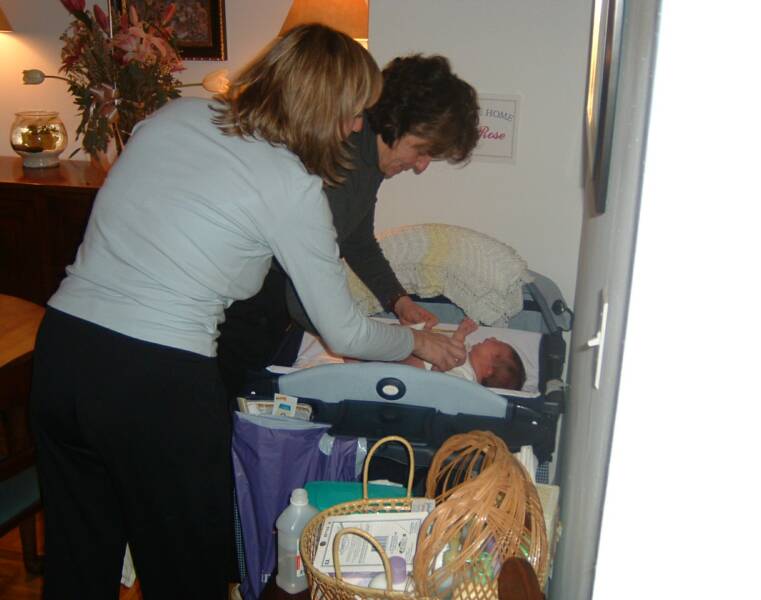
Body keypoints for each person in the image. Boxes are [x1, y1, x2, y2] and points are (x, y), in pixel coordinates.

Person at [28, 25, 466, 600]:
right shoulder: (292, 185)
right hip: (155, 381)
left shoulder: (172, 116)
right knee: (187, 574)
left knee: (79, 560)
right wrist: (417, 342)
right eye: (354, 112)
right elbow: (342, 330)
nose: (359, 126)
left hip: (62, 354)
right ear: (321, 106)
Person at [217, 53, 480, 399]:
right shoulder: (342, 157)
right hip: (248, 301)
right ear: (397, 122)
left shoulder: (370, 161)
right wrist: (367, 350)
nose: (421, 166)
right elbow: (304, 293)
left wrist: (398, 300)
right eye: (421, 150)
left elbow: (357, 239)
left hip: (276, 303)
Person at [308, 318, 527, 391]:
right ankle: (359, 355)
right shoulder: (465, 356)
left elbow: (439, 382)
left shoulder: (467, 383)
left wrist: (439, 364)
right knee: (395, 336)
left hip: (417, 371)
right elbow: (452, 350)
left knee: (400, 353)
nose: (492, 338)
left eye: (496, 346)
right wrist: (460, 333)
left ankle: (359, 358)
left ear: (488, 369)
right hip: (418, 358)